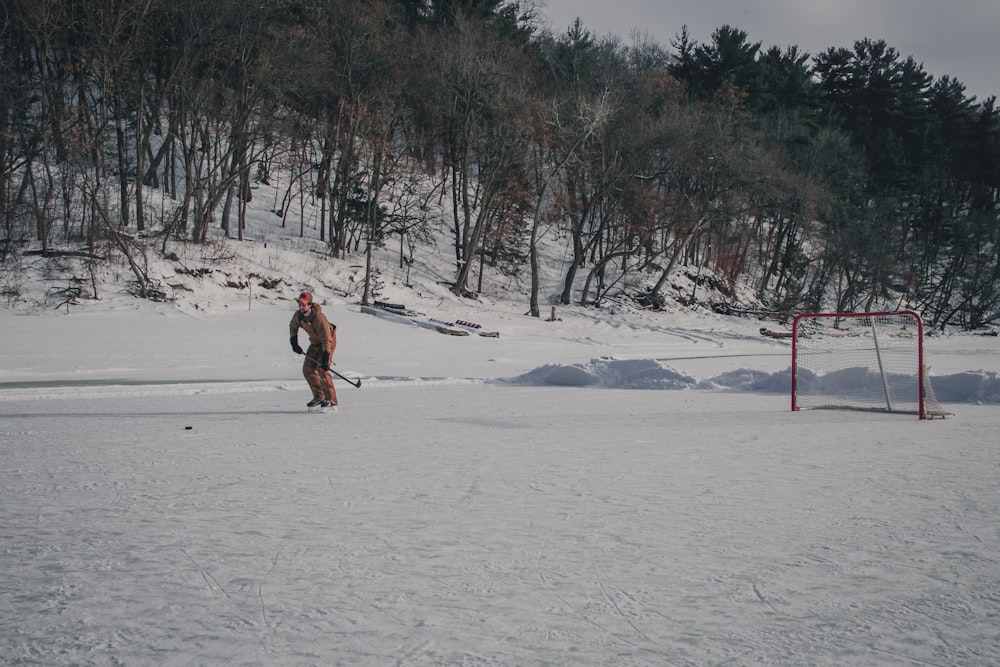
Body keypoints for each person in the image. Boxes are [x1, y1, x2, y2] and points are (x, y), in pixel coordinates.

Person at [289, 291, 338, 410]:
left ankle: (330, 400)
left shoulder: (319, 318)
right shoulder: (298, 315)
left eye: (303, 304)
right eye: (299, 304)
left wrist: (326, 356)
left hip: (327, 342)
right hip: (315, 343)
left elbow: (327, 339)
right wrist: (294, 342)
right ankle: (318, 396)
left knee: (322, 369)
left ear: (310, 305)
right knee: (308, 369)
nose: (301, 307)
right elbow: (293, 326)